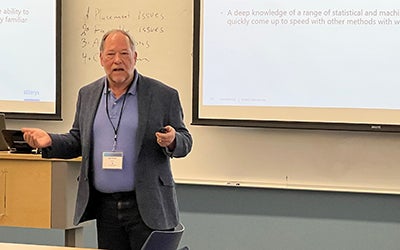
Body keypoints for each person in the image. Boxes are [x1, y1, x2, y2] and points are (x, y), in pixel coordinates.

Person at [22, 29, 193, 250]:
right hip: (106, 208)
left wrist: (172, 140)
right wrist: (50, 141)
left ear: (135, 57)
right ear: (101, 59)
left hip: (148, 206)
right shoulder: (88, 94)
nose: (117, 60)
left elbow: (185, 140)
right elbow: (77, 140)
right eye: (111, 54)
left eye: (124, 53)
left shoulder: (162, 94)